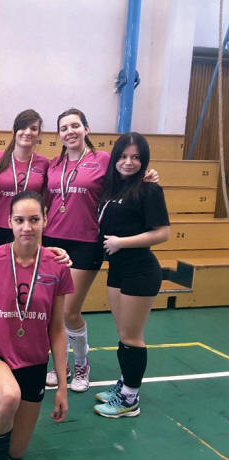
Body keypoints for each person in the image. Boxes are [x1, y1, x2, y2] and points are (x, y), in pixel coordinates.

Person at [43, 109, 159, 393]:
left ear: (86, 128)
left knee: (70, 310)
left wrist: (150, 175)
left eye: (75, 125)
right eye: (63, 128)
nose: (69, 131)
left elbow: (129, 176)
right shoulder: (54, 164)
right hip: (52, 240)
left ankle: (81, 363)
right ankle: (60, 365)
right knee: (53, 310)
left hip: (86, 242)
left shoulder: (104, 160)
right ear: (58, 134)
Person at [0, 191, 73, 460]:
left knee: (16, 451)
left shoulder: (58, 266)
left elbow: (57, 328)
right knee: (9, 396)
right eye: (19, 220)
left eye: (34, 220)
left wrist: (62, 386)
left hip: (34, 363)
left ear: (45, 220)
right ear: (9, 222)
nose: (27, 227)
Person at [94, 133, 170, 418]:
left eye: (136, 157)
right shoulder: (115, 188)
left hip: (140, 270)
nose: (129, 162)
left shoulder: (149, 189)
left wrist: (121, 243)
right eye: (124, 156)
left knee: (132, 337)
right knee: (123, 335)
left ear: (144, 160)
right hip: (118, 270)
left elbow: (163, 233)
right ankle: (125, 384)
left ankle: (129, 400)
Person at [0, 109, 49, 250]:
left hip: (27, 229)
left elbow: (43, 198)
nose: (28, 132)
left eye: (33, 129)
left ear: (38, 134)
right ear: (14, 131)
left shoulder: (44, 163)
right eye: (23, 127)